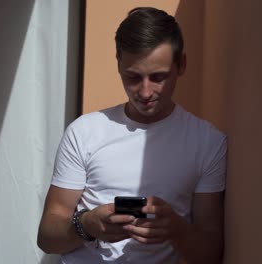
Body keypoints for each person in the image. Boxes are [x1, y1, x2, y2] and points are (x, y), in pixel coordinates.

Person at [37, 7, 227, 264]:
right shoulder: (84, 132)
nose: (145, 91)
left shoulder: (207, 142)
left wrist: (177, 230)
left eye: (158, 77)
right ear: (118, 65)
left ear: (181, 64)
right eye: (133, 77)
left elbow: (211, 254)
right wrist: (86, 225)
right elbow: (47, 237)